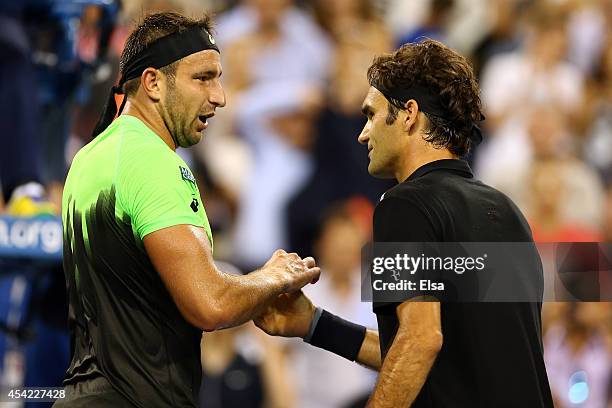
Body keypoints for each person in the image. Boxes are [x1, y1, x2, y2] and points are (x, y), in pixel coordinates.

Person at [255, 40, 554, 407]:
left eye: (371, 115)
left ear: (409, 114)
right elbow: (438, 358)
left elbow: (421, 340)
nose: (363, 133)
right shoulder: (508, 211)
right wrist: (316, 324)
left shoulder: (404, 204)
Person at [55, 12, 320, 408]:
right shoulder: (153, 161)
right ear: (153, 82)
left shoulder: (88, 157)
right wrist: (273, 277)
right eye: (203, 78)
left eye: (219, 78)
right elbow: (210, 304)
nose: (220, 96)